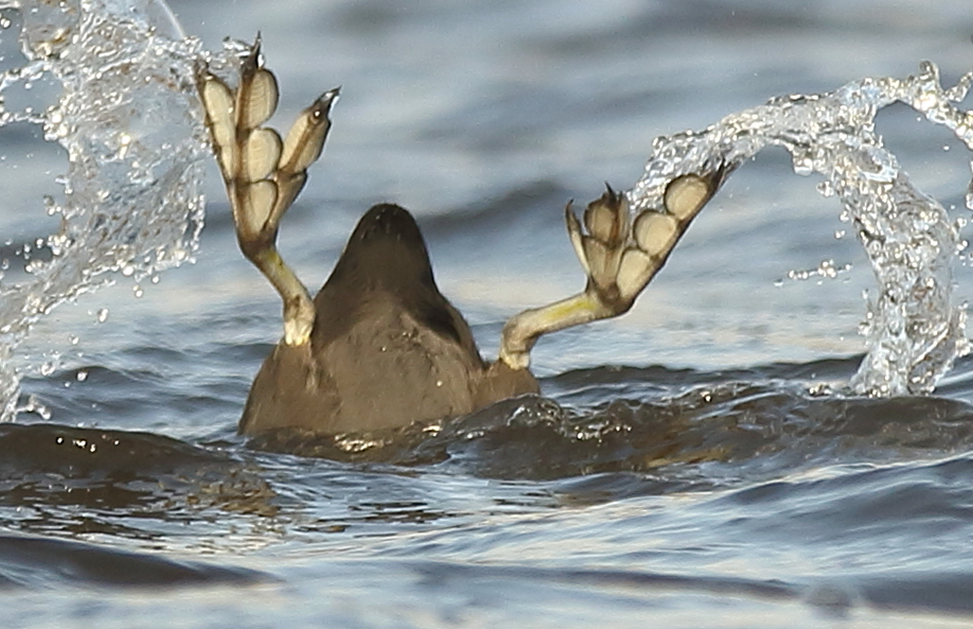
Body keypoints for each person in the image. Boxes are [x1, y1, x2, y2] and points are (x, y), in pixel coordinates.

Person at [196, 44, 725, 437]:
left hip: (328, 411)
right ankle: (265, 250)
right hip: (442, 398)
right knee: (505, 392)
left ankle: (264, 251)